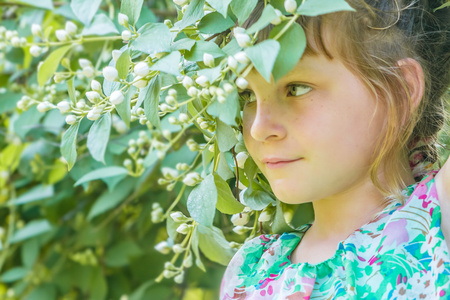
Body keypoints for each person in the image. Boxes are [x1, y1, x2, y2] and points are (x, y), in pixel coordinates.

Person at [220, 0, 450, 298]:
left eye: (297, 88)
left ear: (400, 91)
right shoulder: (248, 271)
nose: (259, 128)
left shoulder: (439, 219)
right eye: (248, 95)